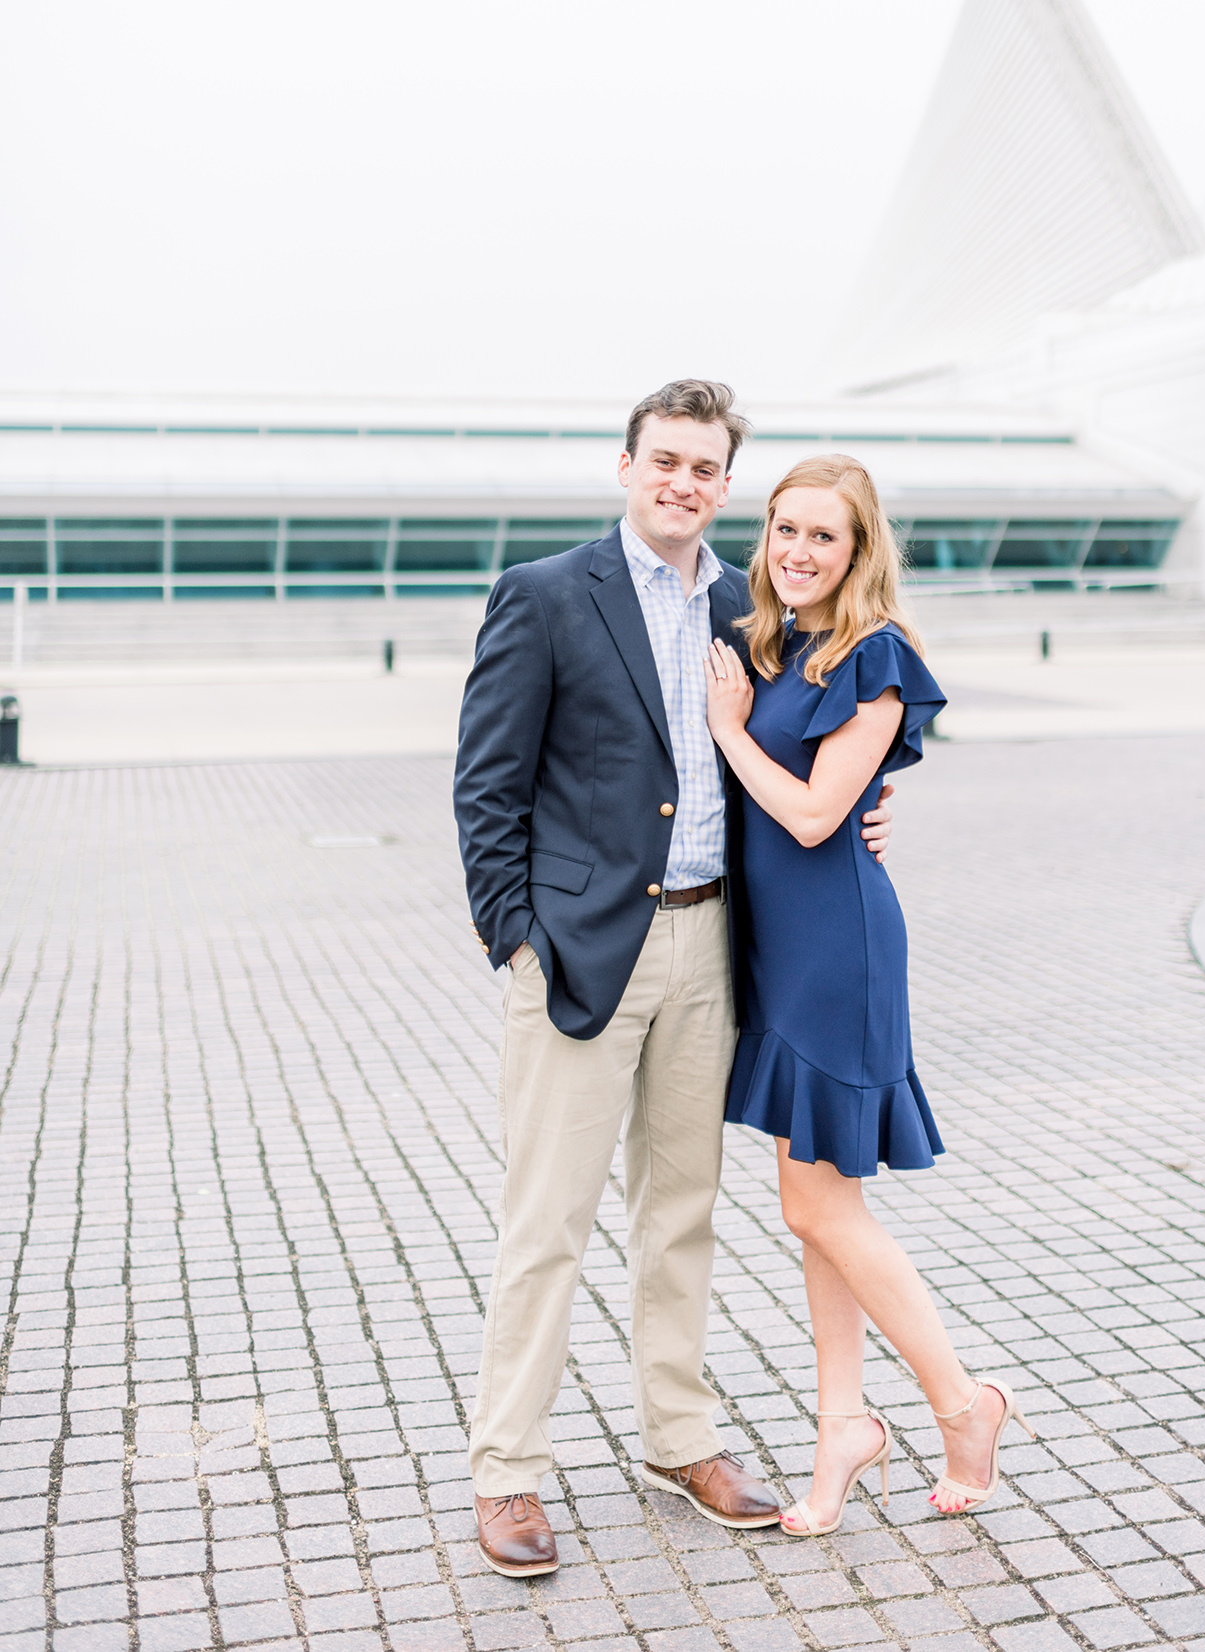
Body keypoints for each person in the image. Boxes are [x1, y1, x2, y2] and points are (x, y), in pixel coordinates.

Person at [453, 381, 898, 1576]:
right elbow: (486, 786)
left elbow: (805, 751)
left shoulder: (751, 607)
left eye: (706, 468)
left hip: (715, 947)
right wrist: (514, 935)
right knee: (546, 1221)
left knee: (682, 1213)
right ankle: (507, 1472)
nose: (684, 484)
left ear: (724, 484)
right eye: (666, 461)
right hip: (583, 954)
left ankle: (678, 1437)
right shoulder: (546, 596)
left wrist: (864, 810)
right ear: (627, 465)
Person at [704, 453, 1035, 1533]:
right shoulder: (775, 638)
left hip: (835, 952)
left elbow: (809, 815)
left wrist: (725, 731)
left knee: (816, 1201)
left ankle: (961, 1401)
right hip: (778, 947)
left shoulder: (876, 654)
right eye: (783, 530)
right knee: (821, 1214)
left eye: (823, 537)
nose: (797, 552)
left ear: (859, 551)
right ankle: (840, 1425)